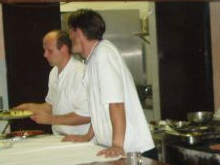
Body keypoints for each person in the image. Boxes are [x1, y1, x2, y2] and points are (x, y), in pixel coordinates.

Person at [66, 9, 154, 157]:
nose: (69, 37)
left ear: (79, 32)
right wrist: (88, 136)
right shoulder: (92, 59)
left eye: (70, 31)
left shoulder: (104, 54)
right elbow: (98, 108)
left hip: (133, 151)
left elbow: (116, 103)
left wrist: (117, 144)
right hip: (116, 149)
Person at [13, 30, 90, 136]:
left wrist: (50, 119)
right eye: (44, 50)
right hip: (60, 138)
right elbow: (51, 106)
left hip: (81, 140)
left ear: (63, 49)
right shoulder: (54, 72)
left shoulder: (81, 74)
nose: (45, 55)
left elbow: (86, 116)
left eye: (49, 50)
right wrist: (30, 107)